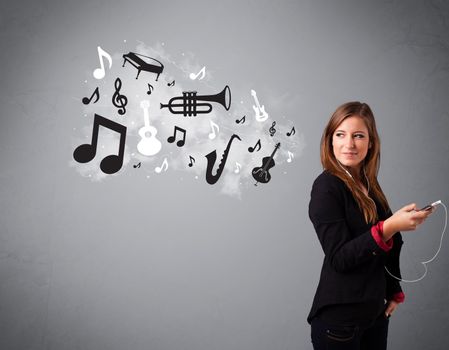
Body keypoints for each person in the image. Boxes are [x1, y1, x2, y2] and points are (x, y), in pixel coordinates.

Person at [308, 102, 434, 350]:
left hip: (375, 315)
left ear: (371, 142)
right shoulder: (326, 187)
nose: (349, 144)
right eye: (340, 135)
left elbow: (388, 245)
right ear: (330, 140)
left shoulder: (368, 183)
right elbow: (340, 258)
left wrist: (393, 290)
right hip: (340, 323)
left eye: (358, 136)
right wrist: (389, 226)